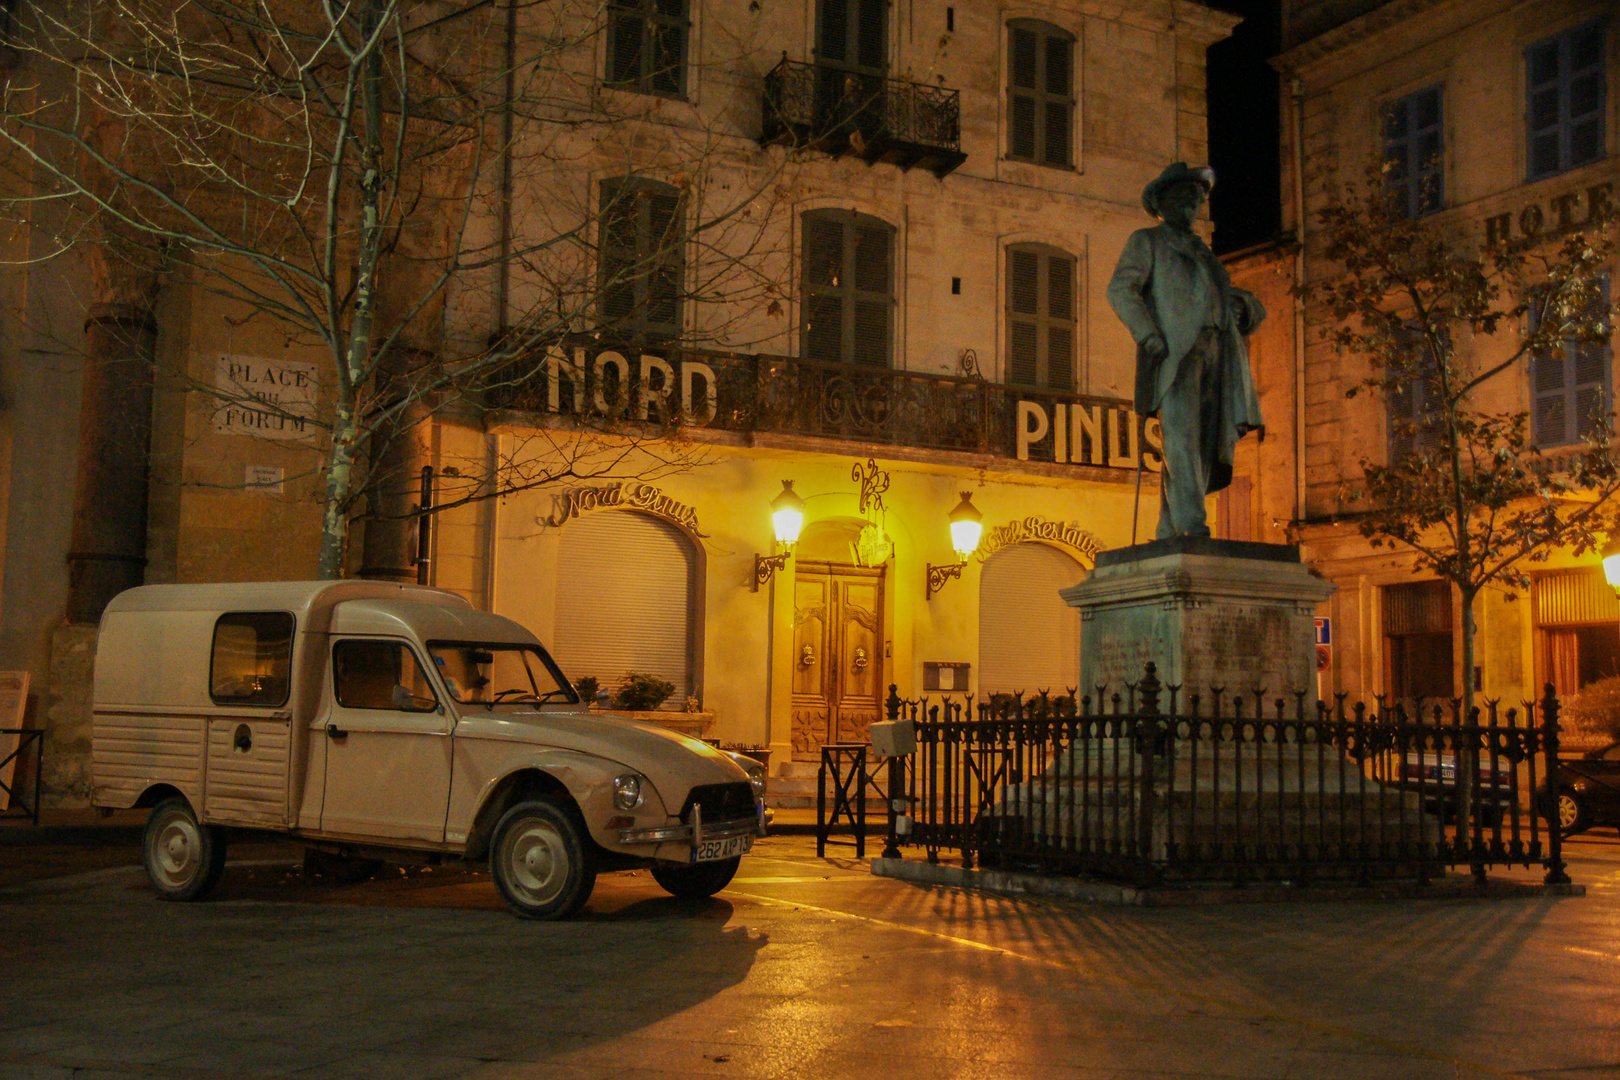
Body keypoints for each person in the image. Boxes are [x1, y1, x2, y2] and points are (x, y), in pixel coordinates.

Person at [1106, 162, 1265, 540]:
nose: (1192, 204)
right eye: (1184, 196)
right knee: (1179, 436)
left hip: (1217, 351)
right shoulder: (1148, 241)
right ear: (1162, 201)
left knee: (1202, 441)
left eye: (1197, 198)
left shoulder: (1202, 251)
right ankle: (1191, 524)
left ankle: (1170, 524)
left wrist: (1242, 306)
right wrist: (1147, 334)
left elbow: (1216, 296)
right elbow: (1120, 289)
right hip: (1174, 354)